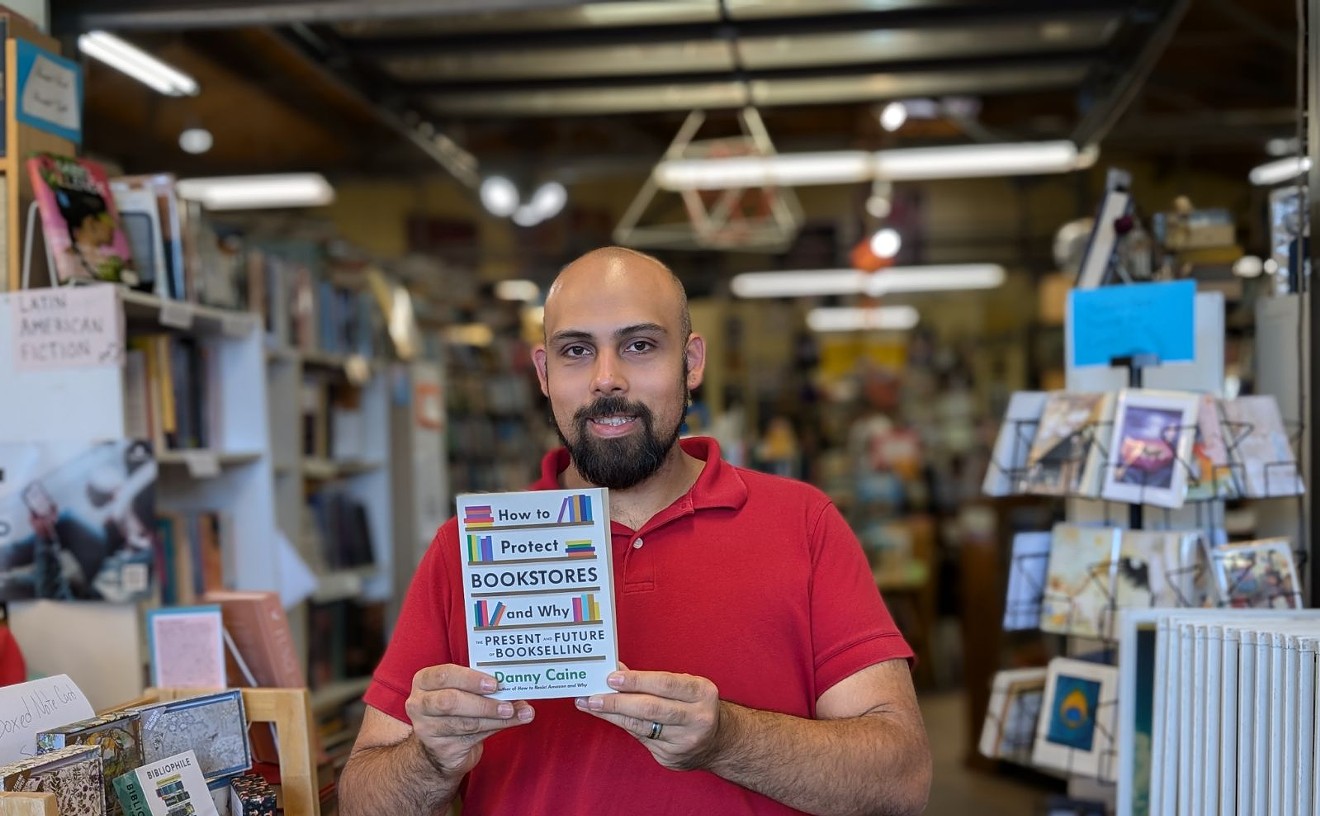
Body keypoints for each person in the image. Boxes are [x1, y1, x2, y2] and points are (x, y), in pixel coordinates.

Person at [340, 246, 931, 816]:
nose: (607, 379)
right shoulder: (466, 550)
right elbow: (360, 801)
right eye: (576, 351)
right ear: (543, 373)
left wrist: (726, 738)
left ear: (692, 362)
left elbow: (901, 780)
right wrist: (430, 759)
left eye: (640, 345)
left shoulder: (803, 523)